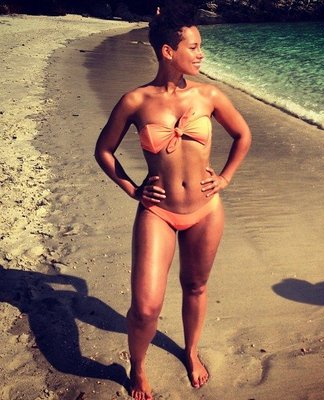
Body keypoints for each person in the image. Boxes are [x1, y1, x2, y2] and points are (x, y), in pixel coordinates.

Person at [95, 3, 251, 399]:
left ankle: (191, 351)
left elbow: (243, 135)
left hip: (205, 210)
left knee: (195, 286)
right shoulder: (135, 101)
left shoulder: (209, 95)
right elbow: (104, 151)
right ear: (169, 51)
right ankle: (138, 367)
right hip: (158, 212)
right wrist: (132, 188)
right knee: (146, 307)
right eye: (194, 47)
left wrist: (225, 178)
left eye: (200, 47)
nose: (201, 54)